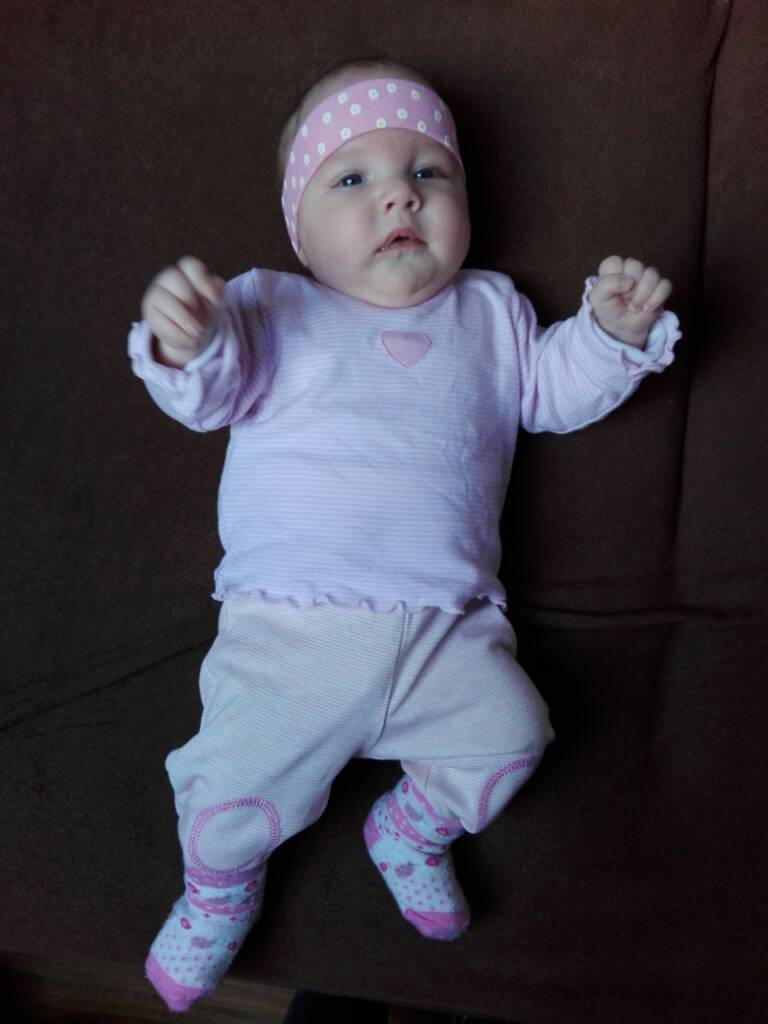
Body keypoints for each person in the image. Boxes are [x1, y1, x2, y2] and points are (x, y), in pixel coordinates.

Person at [127, 57, 680, 1014]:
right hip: (294, 631)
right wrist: (189, 341)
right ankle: (219, 891)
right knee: (227, 796)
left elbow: (553, 392)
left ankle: (412, 828)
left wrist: (609, 335)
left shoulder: (493, 314)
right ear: (300, 231)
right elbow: (207, 395)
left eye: (430, 172)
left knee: (514, 736)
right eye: (352, 178)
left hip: (449, 632)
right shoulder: (269, 306)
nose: (400, 196)